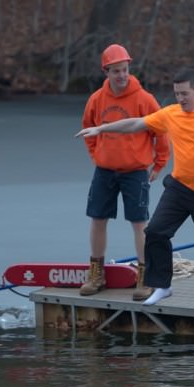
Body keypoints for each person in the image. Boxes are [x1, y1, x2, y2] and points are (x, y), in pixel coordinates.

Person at [76, 67, 194, 308]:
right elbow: (136, 124)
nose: (180, 99)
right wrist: (101, 129)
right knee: (155, 233)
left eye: (185, 94)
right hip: (180, 188)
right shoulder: (171, 114)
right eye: (177, 94)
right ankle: (163, 285)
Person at [79, 44, 169, 301]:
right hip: (104, 170)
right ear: (106, 71)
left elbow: (160, 130)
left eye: (125, 70)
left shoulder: (144, 99)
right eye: (116, 71)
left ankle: (145, 275)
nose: (122, 76)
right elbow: (88, 127)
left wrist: (160, 163)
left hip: (135, 171)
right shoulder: (97, 99)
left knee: (139, 223)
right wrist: (96, 154)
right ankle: (96, 273)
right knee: (97, 218)